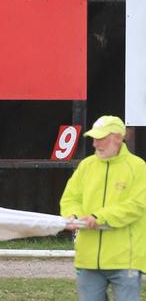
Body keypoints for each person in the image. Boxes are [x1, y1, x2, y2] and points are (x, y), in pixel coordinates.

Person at [61, 115, 146, 301]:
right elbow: (70, 197)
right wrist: (72, 214)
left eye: (101, 138)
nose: (95, 144)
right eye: (94, 138)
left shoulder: (138, 168)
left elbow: (137, 206)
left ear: (118, 137)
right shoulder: (86, 166)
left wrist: (99, 216)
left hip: (126, 260)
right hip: (88, 260)